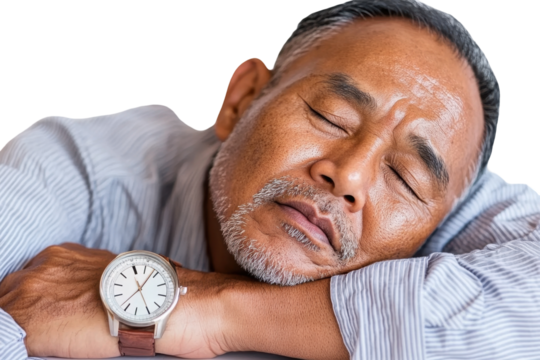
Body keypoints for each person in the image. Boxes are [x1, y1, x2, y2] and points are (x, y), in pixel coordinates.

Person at [1, 0, 539, 359]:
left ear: (441, 227)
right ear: (243, 98)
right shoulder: (82, 166)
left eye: (403, 175)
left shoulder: (441, 229)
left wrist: (196, 306)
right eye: (331, 118)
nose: (348, 175)